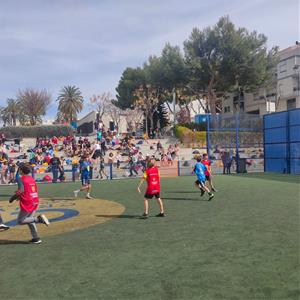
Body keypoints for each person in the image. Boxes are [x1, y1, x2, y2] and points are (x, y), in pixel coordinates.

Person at [9, 162, 50, 244]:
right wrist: (20, 195)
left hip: (28, 201)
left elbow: (21, 191)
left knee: (21, 221)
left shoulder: (21, 179)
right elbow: (29, 190)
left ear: (21, 170)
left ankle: (39, 219)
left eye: (19, 169)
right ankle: (36, 238)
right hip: (34, 200)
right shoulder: (31, 178)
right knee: (29, 220)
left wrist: (12, 198)